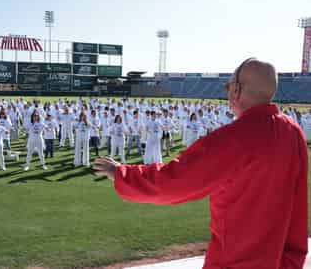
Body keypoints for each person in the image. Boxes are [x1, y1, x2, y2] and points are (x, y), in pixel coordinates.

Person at [93, 58, 309, 269]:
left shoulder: (232, 139)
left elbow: (174, 182)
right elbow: (298, 212)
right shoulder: (293, 133)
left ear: (236, 90)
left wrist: (122, 173)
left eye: (228, 86)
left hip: (233, 261)